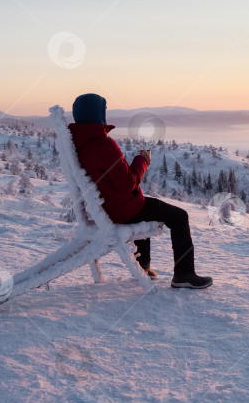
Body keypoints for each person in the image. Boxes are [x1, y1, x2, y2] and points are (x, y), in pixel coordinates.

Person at [68, 93, 212, 289]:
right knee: (179, 217)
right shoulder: (103, 145)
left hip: (108, 208)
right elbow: (128, 183)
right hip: (123, 210)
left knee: (147, 206)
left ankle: (143, 266)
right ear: (98, 114)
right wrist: (143, 160)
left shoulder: (79, 145)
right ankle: (184, 274)